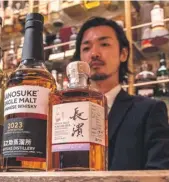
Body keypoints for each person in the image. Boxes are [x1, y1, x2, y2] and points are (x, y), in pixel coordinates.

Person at [72, 17, 169, 170]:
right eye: (86, 48)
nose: (94, 54)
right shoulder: (68, 115)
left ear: (123, 54)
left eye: (104, 44)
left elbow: (159, 176)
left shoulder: (149, 111)